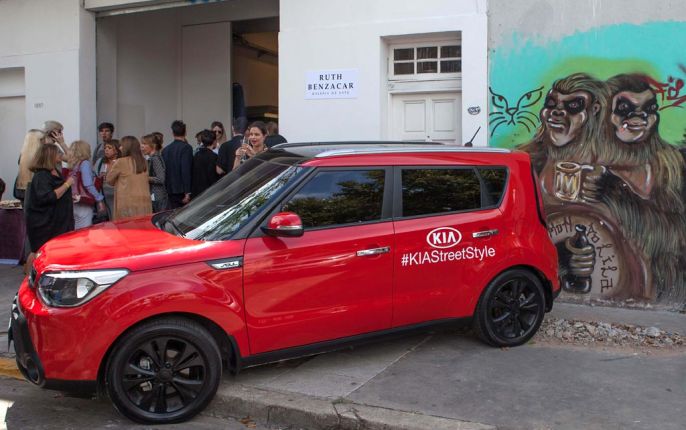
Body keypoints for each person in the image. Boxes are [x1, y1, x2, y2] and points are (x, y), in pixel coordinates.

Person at [25, 144, 75, 264]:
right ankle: (29, 275)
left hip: (56, 221)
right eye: (57, 152)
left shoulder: (54, 171)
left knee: (52, 251)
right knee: (38, 252)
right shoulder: (41, 176)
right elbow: (48, 197)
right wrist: (67, 184)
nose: (60, 155)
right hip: (43, 222)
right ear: (50, 155)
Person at [106, 136, 152, 220]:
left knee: (127, 227)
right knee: (142, 225)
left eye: (122, 146)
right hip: (144, 202)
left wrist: (112, 165)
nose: (120, 148)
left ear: (127, 147)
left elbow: (109, 180)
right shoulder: (143, 161)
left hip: (126, 202)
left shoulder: (121, 162)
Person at [68, 140, 106, 229]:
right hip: (84, 201)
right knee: (85, 231)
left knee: (77, 229)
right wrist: (99, 199)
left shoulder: (73, 164)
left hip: (74, 201)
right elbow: (88, 184)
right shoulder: (85, 163)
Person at [162, 120, 193, 208]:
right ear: (185, 132)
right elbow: (185, 170)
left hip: (169, 189)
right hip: (181, 190)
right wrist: (187, 192)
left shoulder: (166, 150)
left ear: (173, 133)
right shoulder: (186, 148)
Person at [14, 129, 45, 202]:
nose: (45, 142)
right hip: (37, 193)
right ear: (37, 141)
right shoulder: (41, 157)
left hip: (22, 189)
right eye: (43, 139)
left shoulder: (22, 156)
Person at [141, 133, 168, 213]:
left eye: (144, 144)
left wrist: (145, 178)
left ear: (153, 145)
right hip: (155, 197)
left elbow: (161, 179)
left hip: (158, 197)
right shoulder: (151, 158)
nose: (142, 146)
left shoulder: (155, 158)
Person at [95, 139, 120, 220]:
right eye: (105, 148)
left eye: (109, 148)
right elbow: (94, 176)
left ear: (116, 150)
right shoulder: (100, 162)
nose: (106, 150)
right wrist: (99, 177)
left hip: (118, 194)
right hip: (103, 195)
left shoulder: (121, 162)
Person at [192, 129, 220, 198]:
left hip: (196, 193)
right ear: (214, 141)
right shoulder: (214, 157)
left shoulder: (196, 155)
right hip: (209, 193)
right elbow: (213, 176)